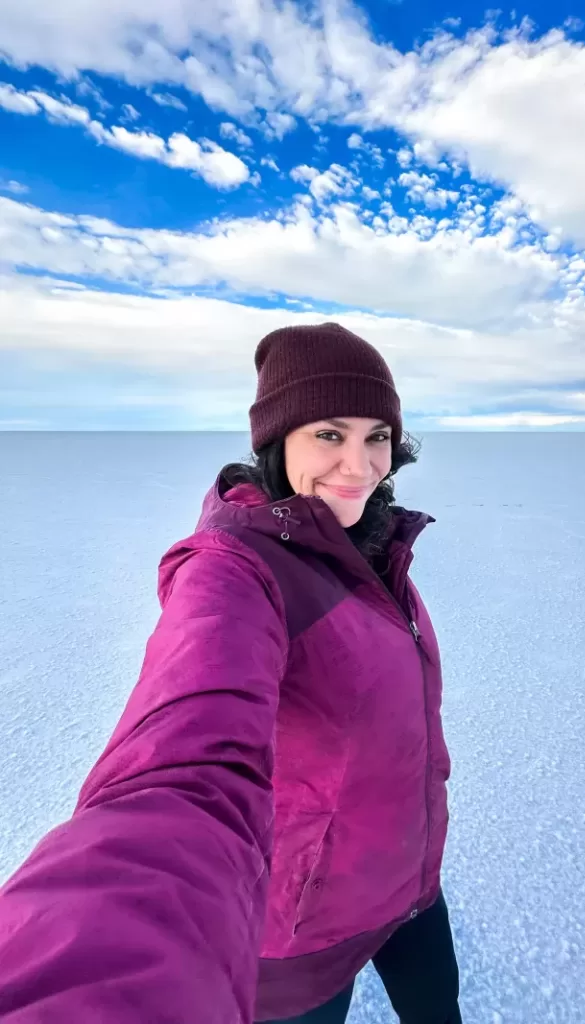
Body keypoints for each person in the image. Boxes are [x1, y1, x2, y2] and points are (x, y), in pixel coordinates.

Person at [0, 322, 460, 1024]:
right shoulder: (236, 569)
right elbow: (185, 762)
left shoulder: (378, 544)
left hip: (409, 881)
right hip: (306, 931)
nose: (362, 465)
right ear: (278, 441)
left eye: (377, 437)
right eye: (329, 434)